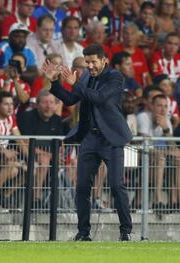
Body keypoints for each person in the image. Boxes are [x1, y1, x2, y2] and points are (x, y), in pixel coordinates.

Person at [42, 44, 133, 241]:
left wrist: (76, 84)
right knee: (82, 187)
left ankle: (125, 231)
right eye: (87, 62)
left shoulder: (114, 77)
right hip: (89, 138)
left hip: (111, 138)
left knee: (116, 186)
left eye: (93, 62)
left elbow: (100, 98)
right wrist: (55, 82)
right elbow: (70, 100)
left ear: (103, 60)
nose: (90, 66)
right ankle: (83, 232)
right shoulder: (85, 78)